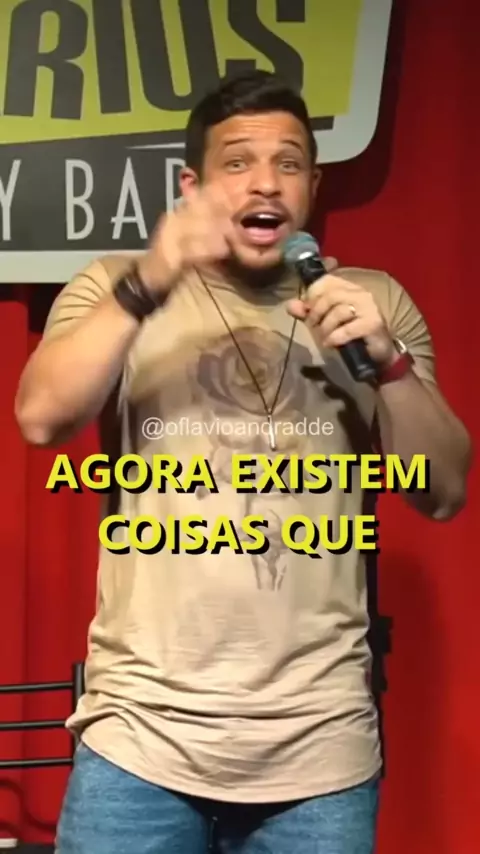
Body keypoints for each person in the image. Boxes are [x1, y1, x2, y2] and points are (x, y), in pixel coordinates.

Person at [15, 70, 471, 854]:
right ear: (192, 187)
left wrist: (389, 366)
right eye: (238, 162)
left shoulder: (373, 303)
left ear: (313, 187)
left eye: (289, 163)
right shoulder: (116, 287)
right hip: (141, 741)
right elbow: (41, 417)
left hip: (320, 752)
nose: (266, 182)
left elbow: (444, 491)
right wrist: (149, 281)